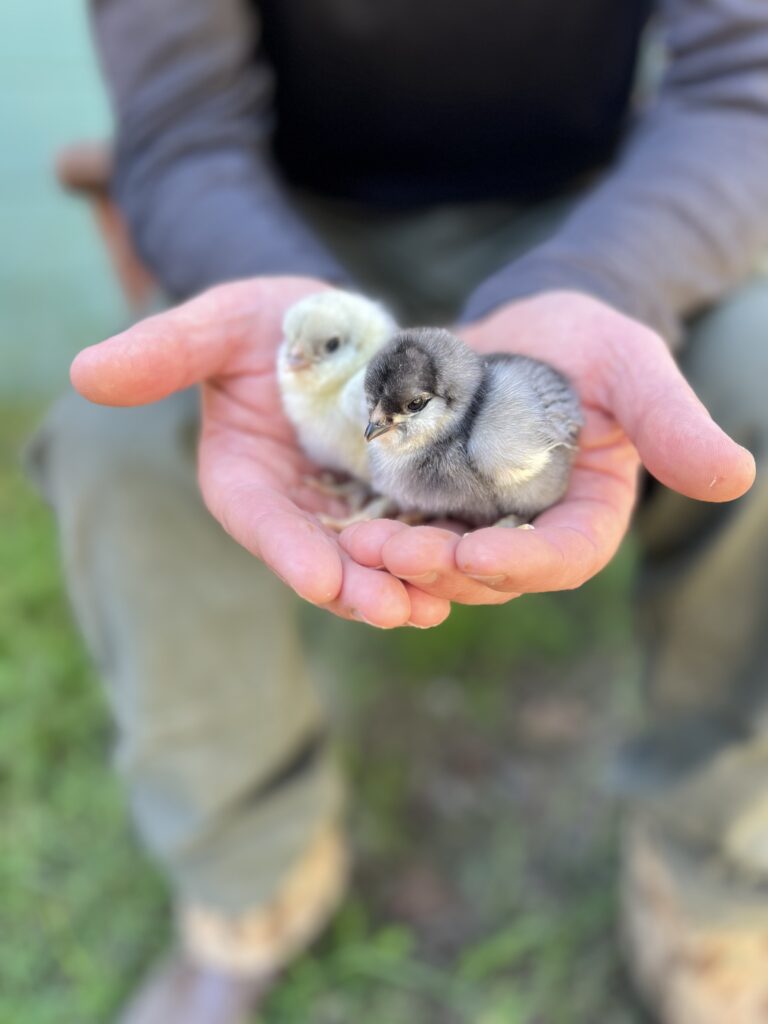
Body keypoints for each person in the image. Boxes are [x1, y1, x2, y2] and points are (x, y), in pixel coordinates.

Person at [28, 0, 768, 1021]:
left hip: (596, 216)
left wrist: (601, 275)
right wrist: (280, 296)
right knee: (117, 442)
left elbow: (746, 81)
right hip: (287, 225)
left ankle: (718, 884)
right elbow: (182, 126)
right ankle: (250, 879)